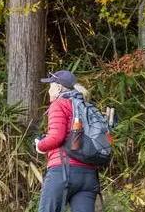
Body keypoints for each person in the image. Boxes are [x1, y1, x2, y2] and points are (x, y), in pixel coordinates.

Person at [35, 70, 99, 212]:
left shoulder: (60, 104)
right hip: (88, 175)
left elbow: (56, 137)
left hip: (63, 171)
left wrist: (40, 145)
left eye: (50, 86)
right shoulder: (87, 106)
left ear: (58, 87)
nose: (49, 90)